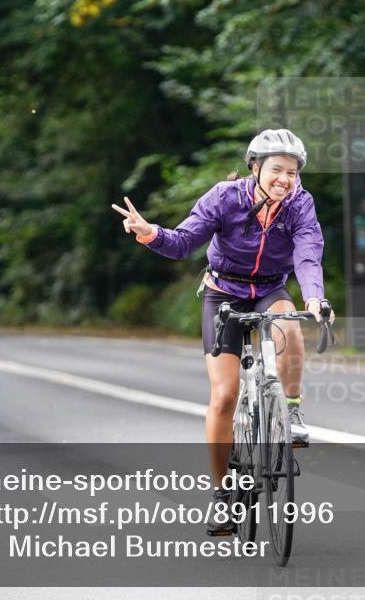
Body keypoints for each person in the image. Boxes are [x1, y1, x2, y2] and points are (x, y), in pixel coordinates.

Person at [112, 128, 334, 536]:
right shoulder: (224, 197)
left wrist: (315, 298)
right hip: (224, 292)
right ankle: (221, 494)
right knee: (225, 395)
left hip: (270, 288)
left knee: (289, 325)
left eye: (292, 172)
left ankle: (291, 411)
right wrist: (149, 233)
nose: (285, 179)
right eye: (277, 170)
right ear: (255, 168)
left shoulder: (300, 204)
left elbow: (308, 252)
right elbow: (184, 242)